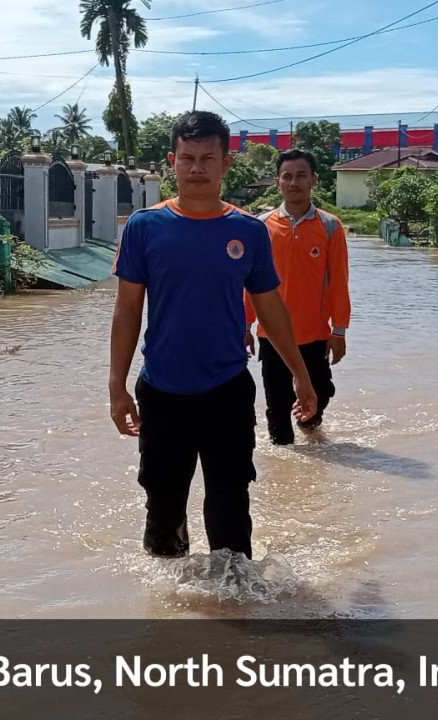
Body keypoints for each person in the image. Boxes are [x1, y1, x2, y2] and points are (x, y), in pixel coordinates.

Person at [108, 111, 318, 561]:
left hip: (226, 393)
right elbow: (127, 311)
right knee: (163, 511)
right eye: (187, 158)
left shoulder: (249, 231)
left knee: (230, 511)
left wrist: (300, 374)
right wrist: (116, 387)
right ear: (172, 162)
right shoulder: (145, 227)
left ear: (226, 163)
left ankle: (236, 613)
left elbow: (270, 309)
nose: (197, 168)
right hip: (162, 392)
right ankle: (168, 613)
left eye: (208, 158)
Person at [244, 148, 351, 446]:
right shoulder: (261, 227)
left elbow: (339, 282)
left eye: (301, 176)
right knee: (277, 409)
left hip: (314, 334)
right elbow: (249, 283)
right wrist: (245, 325)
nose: (294, 183)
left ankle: (311, 432)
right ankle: (285, 474)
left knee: (320, 396)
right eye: (287, 177)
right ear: (277, 182)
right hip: (272, 335)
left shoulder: (330, 227)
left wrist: (339, 330)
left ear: (314, 180)